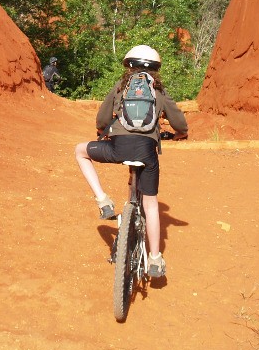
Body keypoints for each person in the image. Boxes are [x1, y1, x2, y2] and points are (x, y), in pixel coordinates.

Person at [74, 44, 188, 278]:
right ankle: (155, 259)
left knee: (80, 151)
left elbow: (103, 117)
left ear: (128, 66)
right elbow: (178, 121)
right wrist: (180, 133)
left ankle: (103, 200)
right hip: (146, 152)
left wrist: (101, 130)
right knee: (151, 203)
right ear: (156, 68)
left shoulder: (121, 87)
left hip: (118, 148)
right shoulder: (158, 90)